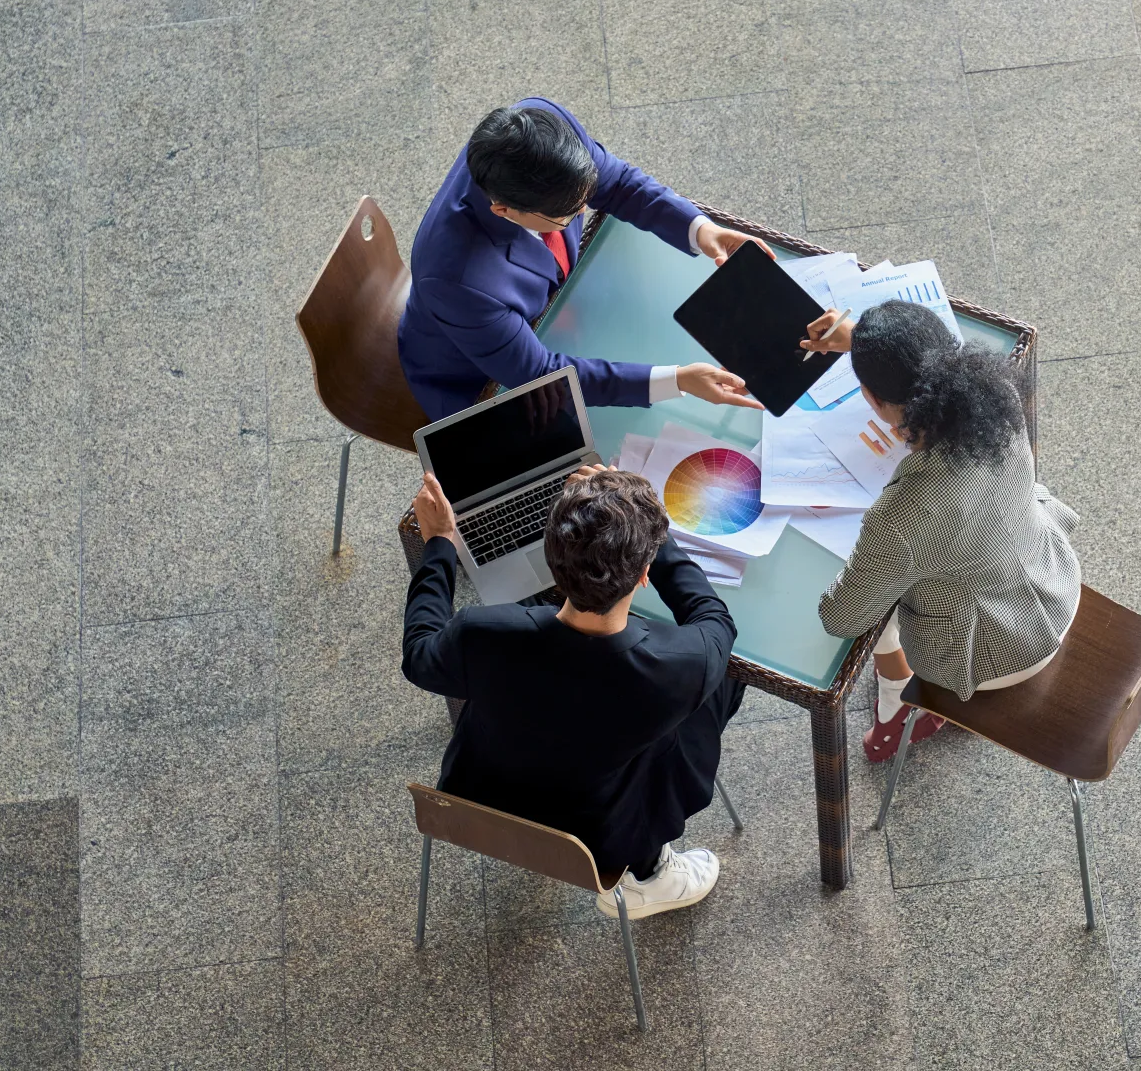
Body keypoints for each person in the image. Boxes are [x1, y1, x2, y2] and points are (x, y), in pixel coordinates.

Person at [401, 463, 746, 918]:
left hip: (482, 802)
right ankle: (652, 873)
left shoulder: (479, 633)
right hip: (601, 837)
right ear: (644, 575)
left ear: (552, 560)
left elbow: (419, 653)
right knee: (726, 680)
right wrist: (649, 537)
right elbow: (714, 619)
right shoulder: (682, 663)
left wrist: (441, 542)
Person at [806, 301, 1082, 762]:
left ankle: (896, 703)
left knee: (881, 596)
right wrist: (861, 341)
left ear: (873, 401)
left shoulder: (904, 515)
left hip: (994, 654)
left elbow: (841, 619)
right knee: (902, 573)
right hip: (1050, 581)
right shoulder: (998, 397)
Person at [398, 97, 770, 421]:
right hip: (479, 379)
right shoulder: (458, 280)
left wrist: (701, 230)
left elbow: (618, 182)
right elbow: (541, 376)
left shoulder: (542, 121)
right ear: (504, 210)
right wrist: (676, 380)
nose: (582, 212)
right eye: (568, 213)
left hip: (553, 313)